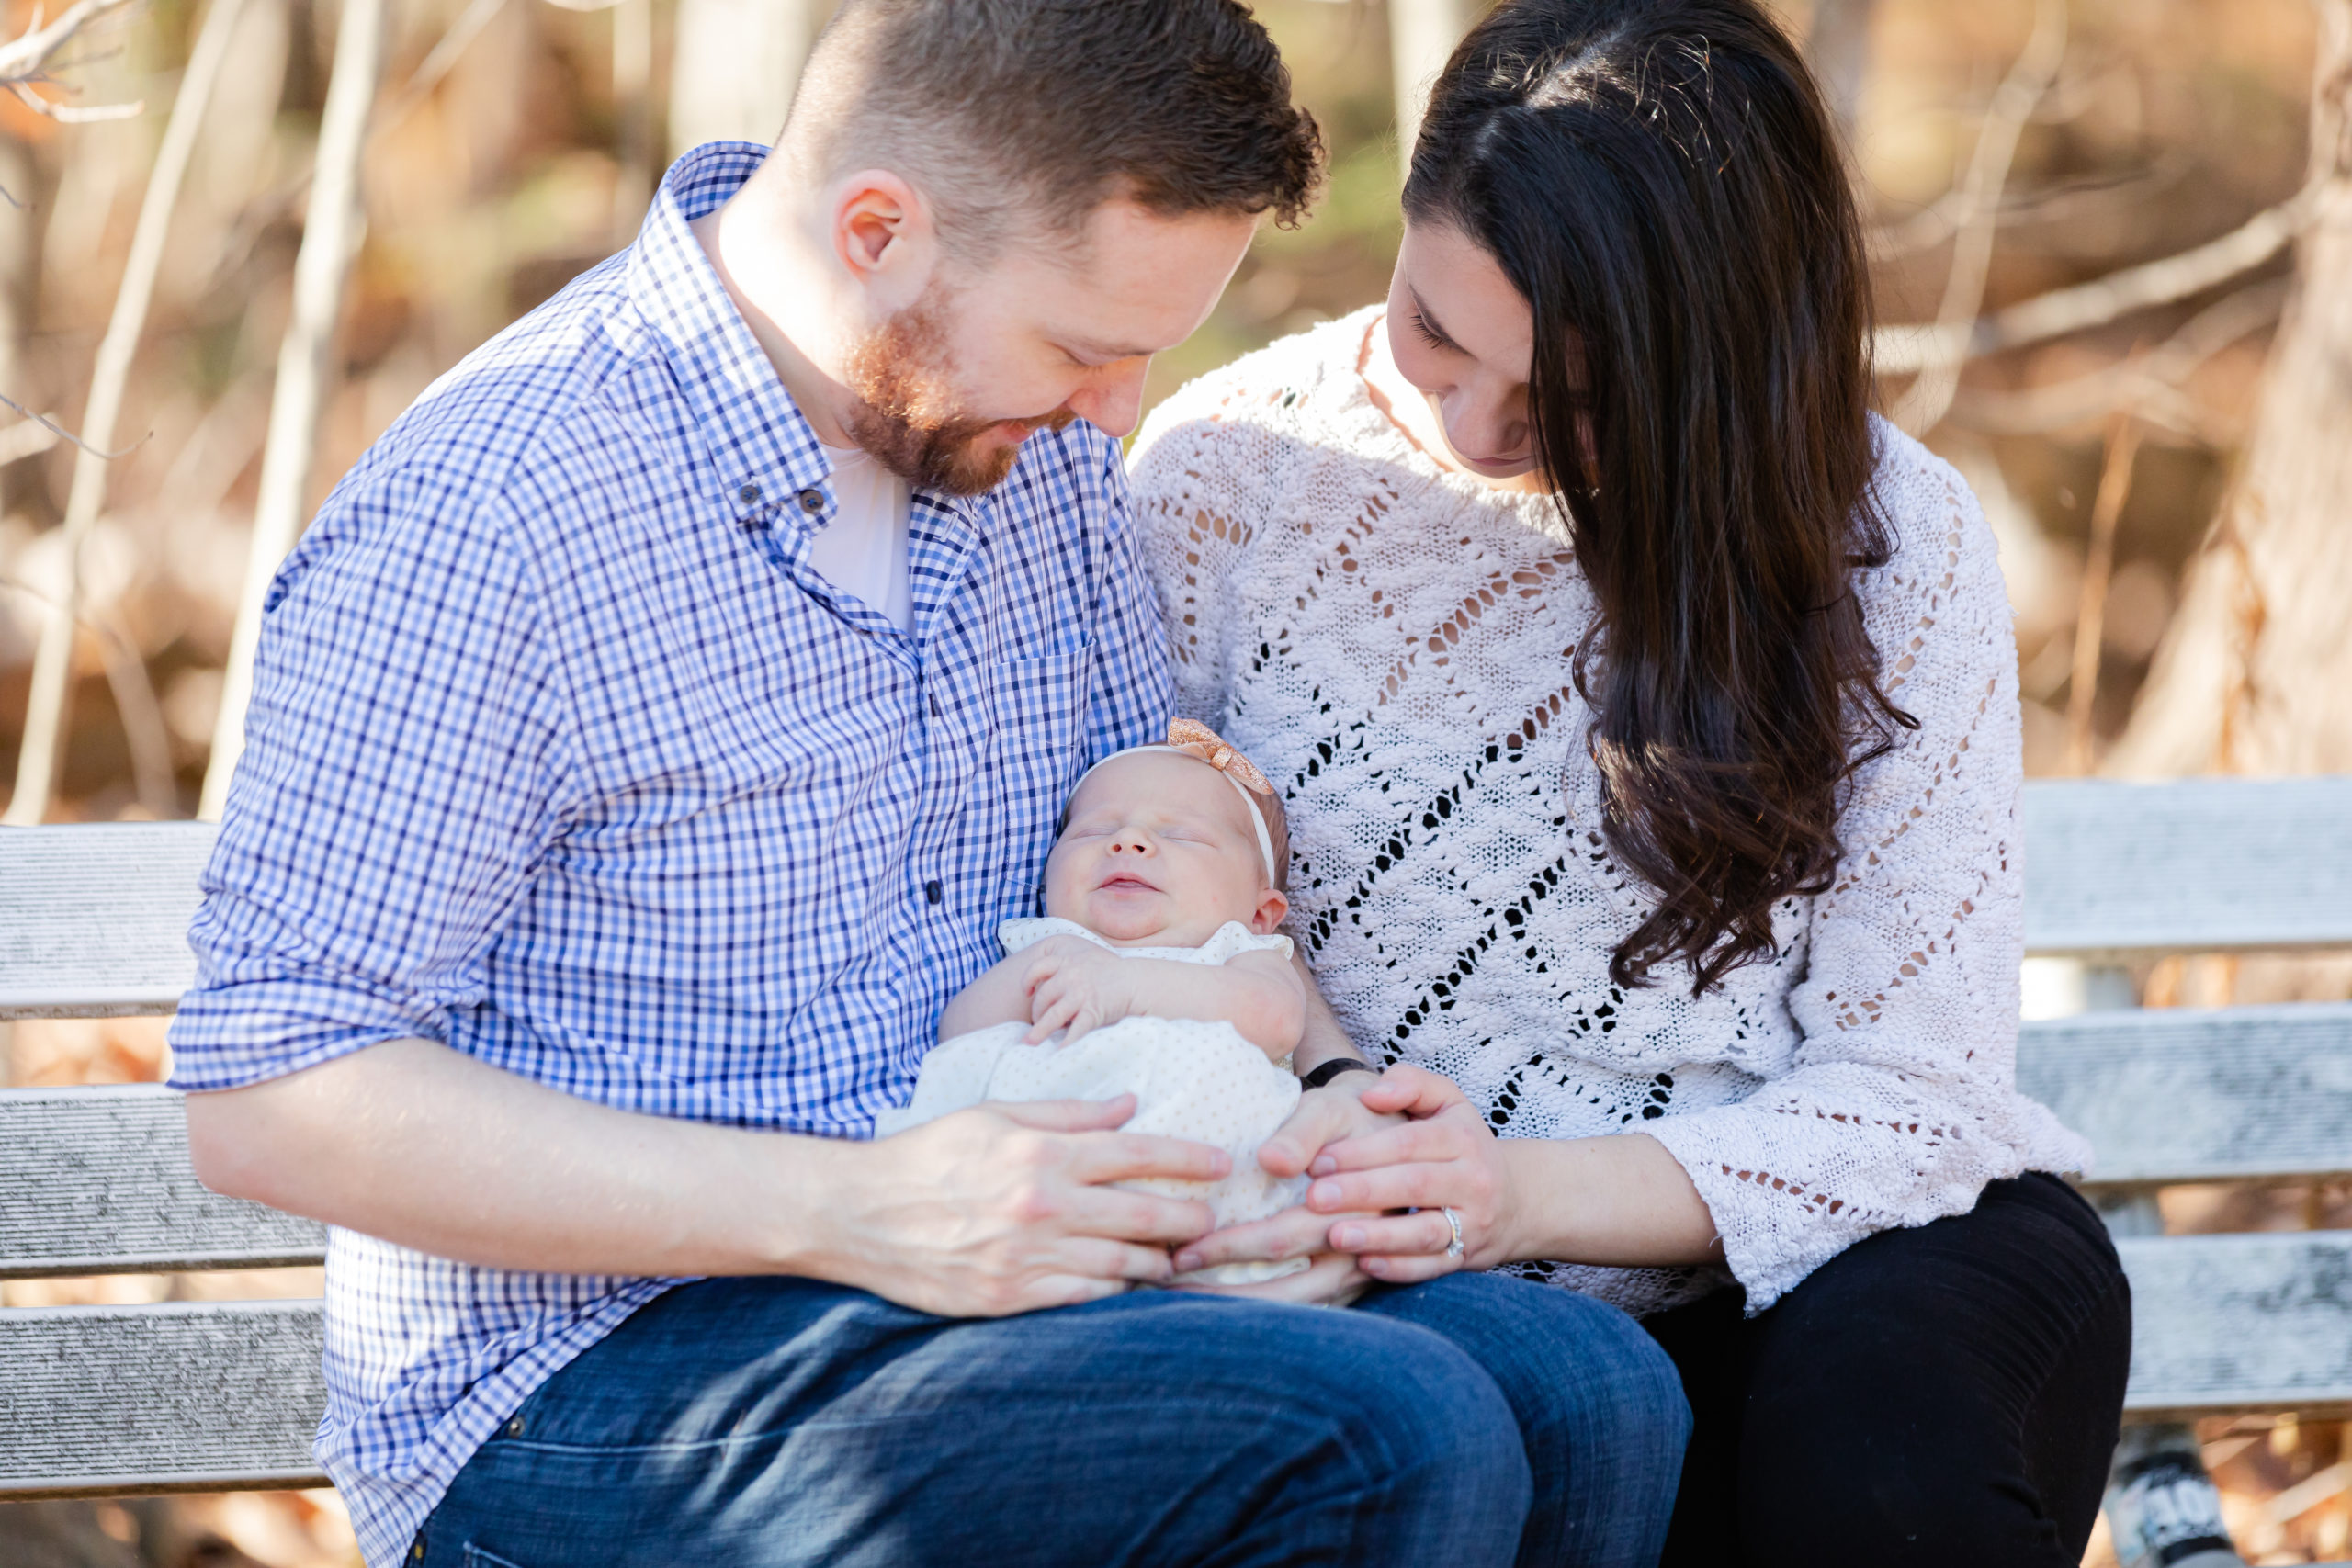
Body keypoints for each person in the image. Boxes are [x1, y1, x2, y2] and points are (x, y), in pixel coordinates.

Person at [169, 3, 1689, 1565]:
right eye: (1087, 349)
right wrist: (859, 1209)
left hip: (1023, 1282)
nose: (1118, 411)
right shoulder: (494, 512)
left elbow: (1146, 861)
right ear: (878, 228)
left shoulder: (1028, 460)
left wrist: (1305, 1119)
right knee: (1383, 1436)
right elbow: (271, 1091)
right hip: (601, 1378)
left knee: (1587, 1386)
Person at [1129, 1, 2132, 1563]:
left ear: (1715, 368)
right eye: (1436, 334)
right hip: (1401, 1294)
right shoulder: (1221, 478)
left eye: (1568, 403)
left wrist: (1513, 1191)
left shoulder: (1889, 539)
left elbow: (1912, 1096)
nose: (1473, 430)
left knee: (1882, 1478)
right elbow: (1135, 896)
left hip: (1822, 1259)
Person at [886, 720, 1313, 1283]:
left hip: (1218, 1227)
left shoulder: (1239, 953)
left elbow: (1277, 1019)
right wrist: (1043, 971)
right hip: (1031, 1217)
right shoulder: (1048, 950)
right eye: (1093, 831)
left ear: (1260, 912)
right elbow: (960, 1036)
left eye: (1183, 835)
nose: (1128, 841)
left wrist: (1125, 985)